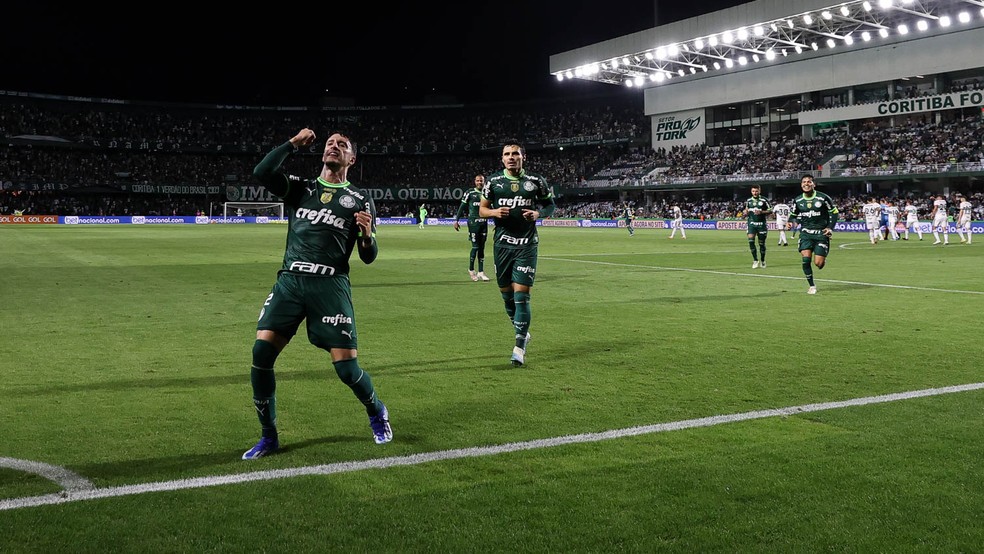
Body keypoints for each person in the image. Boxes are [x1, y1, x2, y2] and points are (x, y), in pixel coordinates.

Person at [243, 129, 392, 460]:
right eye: (330, 143)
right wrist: (292, 144)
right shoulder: (302, 189)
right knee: (261, 354)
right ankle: (269, 436)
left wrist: (367, 237)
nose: (333, 147)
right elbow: (262, 173)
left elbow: (368, 256)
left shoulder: (360, 199)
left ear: (351, 159)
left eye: (342, 145)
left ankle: (377, 411)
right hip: (291, 280)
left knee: (347, 370)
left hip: (330, 285)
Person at [479, 138, 556, 367]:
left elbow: (550, 204)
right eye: (507, 154)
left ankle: (519, 345)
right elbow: (481, 210)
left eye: (515, 153)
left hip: (526, 245)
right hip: (502, 245)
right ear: (502, 158)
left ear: (523, 157)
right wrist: (494, 212)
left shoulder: (535, 182)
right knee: (507, 296)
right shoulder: (493, 182)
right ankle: (521, 329)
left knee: (521, 296)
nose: (511, 157)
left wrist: (538, 214)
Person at [787, 174, 838, 295]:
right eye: (804, 182)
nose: (806, 184)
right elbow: (793, 215)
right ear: (801, 185)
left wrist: (830, 228)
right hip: (806, 234)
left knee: (818, 264)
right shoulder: (798, 200)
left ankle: (822, 258)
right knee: (805, 260)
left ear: (813, 184)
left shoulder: (823, 198)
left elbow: (834, 212)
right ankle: (812, 285)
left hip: (821, 234)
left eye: (809, 182)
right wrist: (790, 222)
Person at [454, 174, 491, 281]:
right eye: (478, 181)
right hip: (473, 223)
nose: (480, 182)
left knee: (482, 248)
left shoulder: (487, 193)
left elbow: (492, 208)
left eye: (481, 181)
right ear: (475, 182)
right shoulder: (470, 192)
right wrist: (456, 220)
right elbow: (462, 206)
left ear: (484, 182)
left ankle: (481, 272)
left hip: (484, 223)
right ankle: (471, 269)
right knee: (475, 247)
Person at [744, 185, 772, 268]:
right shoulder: (749, 200)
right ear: (751, 191)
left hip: (761, 224)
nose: (755, 193)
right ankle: (755, 260)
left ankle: (763, 260)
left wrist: (761, 212)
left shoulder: (764, 200)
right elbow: (746, 210)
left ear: (759, 191)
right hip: (751, 224)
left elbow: (770, 210)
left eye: (756, 191)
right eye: (753, 191)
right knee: (751, 241)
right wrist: (745, 212)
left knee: (761, 244)